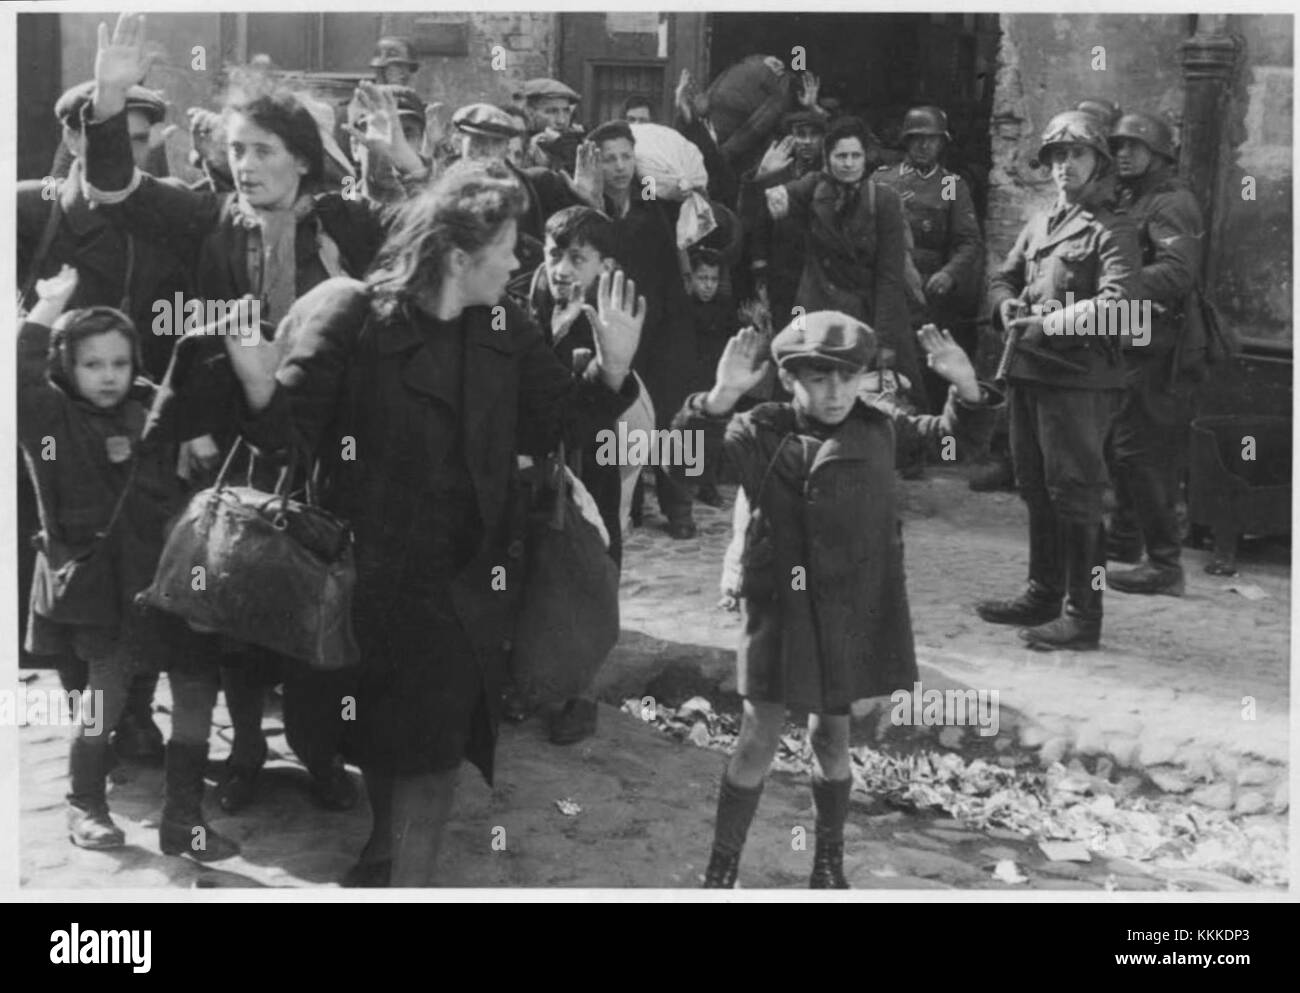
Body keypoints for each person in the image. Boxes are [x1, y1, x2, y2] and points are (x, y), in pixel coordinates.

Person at [224, 159, 644, 887]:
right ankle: (385, 843)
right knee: (382, 735)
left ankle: (408, 878)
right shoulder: (355, 316)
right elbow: (288, 444)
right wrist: (261, 390)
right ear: (458, 256)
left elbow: (553, 424)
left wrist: (610, 371)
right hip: (363, 573)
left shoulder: (506, 325)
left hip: (466, 578)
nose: (519, 263)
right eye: (509, 246)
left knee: (435, 747)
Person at [82, 14, 419, 814]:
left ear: (303, 158)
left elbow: (420, 248)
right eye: (235, 150)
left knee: (322, 591)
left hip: (333, 445)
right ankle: (241, 749)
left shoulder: (344, 222)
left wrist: (401, 162)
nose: (245, 165)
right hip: (237, 443)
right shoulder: (209, 219)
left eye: (262, 149)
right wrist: (109, 91)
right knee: (233, 597)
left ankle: (320, 750)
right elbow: (116, 192)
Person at [680, 314, 1000, 887]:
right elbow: (687, 461)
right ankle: (720, 873)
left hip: (846, 612)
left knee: (832, 737)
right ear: (788, 379)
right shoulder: (760, 431)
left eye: (847, 378)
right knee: (758, 738)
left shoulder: (882, 430)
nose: (835, 393)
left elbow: (955, 442)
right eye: (818, 379)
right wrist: (721, 396)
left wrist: (967, 389)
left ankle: (828, 867)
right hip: (779, 611)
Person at [19, 265, 238, 860]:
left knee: (195, 694)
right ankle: (85, 804)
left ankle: (183, 819)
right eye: (92, 364)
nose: (109, 376)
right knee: (104, 701)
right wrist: (46, 308)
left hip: (175, 581)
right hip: (105, 588)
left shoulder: (153, 409)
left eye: (119, 362)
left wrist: (189, 432)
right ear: (66, 366)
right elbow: (16, 373)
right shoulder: (50, 418)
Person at [976, 110, 1141, 650]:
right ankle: (1043, 592)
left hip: (1080, 381)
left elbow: (1124, 309)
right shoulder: (1041, 221)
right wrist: (1004, 308)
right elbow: (1002, 276)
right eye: (1056, 156)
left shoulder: (1112, 229)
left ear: (1099, 163)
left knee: (1077, 496)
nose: (1064, 166)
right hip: (1029, 374)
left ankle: (1083, 614)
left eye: (1077, 155)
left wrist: (1049, 323)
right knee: (1035, 486)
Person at [524, 205, 638, 744]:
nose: (563, 269)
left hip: (595, 460)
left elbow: (624, 390)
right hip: (538, 461)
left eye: (577, 258)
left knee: (593, 565)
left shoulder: (613, 314)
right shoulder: (527, 306)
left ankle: (581, 694)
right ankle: (532, 680)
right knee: (537, 565)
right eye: (554, 256)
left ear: (603, 264)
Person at [756, 116, 924, 409]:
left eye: (855, 155)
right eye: (841, 156)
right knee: (815, 394)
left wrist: (884, 341)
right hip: (819, 307)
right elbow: (764, 212)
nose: (848, 163)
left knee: (874, 401)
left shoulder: (884, 200)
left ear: (865, 158)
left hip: (869, 313)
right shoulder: (812, 188)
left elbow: (889, 275)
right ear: (828, 158)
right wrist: (764, 178)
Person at [1104, 111, 1204, 595]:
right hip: (1131, 336)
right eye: (1118, 146)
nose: (1123, 153)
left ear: (1159, 154)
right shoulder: (1132, 197)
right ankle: (1124, 540)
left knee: (1144, 452)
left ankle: (1165, 566)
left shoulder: (1171, 204)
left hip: (1160, 344)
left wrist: (1114, 287)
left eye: (1134, 147)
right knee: (1123, 445)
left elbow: (1178, 273)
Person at [586, 119, 698, 539]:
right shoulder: (590, 207)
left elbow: (673, 243)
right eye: (609, 159)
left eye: (625, 157)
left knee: (674, 414)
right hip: (618, 325)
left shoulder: (650, 197)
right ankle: (628, 501)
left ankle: (680, 504)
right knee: (625, 413)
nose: (619, 167)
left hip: (665, 320)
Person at [874, 105, 982, 412]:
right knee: (886, 360)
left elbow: (969, 241)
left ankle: (932, 436)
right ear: (906, 141)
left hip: (930, 293)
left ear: (942, 143)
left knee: (928, 366)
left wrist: (950, 273)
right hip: (889, 287)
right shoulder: (884, 180)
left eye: (932, 139)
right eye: (917, 138)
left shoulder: (950, 185)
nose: (924, 145)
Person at [743, 110, 827, 331]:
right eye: (801, 134)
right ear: (792, 137)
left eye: (813, 135)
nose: (807, 141)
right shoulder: (776, 176)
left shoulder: (828, 177)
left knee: (810, 335)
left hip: (816, 275)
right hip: (781, 275)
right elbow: (759, 228)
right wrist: (761, 275)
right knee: (784, 335)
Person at [682, 247, 733, 507]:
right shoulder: (683, 307)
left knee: (712, 432)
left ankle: (707, 483)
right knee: (691, 430)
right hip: (689, 376)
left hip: (712, 377)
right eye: (703, 279)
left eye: (713, 280)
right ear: (691, 279)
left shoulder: (724, 308)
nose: (708, 286)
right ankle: (689, 480)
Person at [522, 77, 585, 174]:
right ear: (530, 113)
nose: (561, 120)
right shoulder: (519, 146)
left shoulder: (577, 143)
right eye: (552, 111)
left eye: (566, 111)